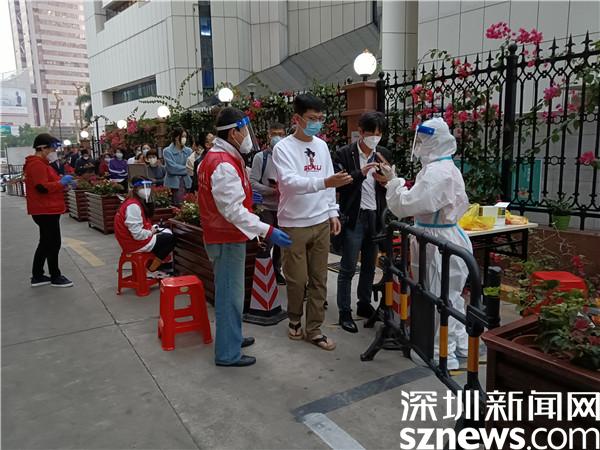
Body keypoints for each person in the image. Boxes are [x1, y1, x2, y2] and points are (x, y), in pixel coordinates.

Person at [198, 107, 292, 367]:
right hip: (226, 238)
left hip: (224, 236)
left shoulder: (218, 157)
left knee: (232, 294)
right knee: (230, 297)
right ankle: (228, 353)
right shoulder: (222, 163)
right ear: (233, 133)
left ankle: (233, 337)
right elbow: (232, 210)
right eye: (244, 129)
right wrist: (267, 230)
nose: (248, 135)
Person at [379, 117, 471, 370]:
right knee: (450, 295)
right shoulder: (443, 167)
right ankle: (459, 344)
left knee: (438, 297)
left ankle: (441, 353)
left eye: (422, 140)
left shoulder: (437, 173)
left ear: (434, 141)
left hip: (436, 241)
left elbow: (405, 205)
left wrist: (394, 182)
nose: (418, 145)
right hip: (443, 236)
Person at [272, 93, 353, 351]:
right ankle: (295, 318)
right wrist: (324, 182)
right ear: (297, 119)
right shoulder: (282, 148)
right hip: (294, 223)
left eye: (320, 118)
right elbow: (289, 183)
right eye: (312, 118)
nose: (317, 123)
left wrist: (332, 212)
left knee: (319, 278)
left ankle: (314, 329)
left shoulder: (322, 146)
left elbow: (330, 183)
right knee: (297, 279)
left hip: (320, 222)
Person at [334, 111, 392, 333]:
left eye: (379, 134)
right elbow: (339, 184)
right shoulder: (344, 154)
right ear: (360, 132)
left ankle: (364, 303)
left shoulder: (383, 154)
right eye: (371, 133)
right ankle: (344, 311)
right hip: (354, 217)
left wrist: (386, 179)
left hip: (375, 216)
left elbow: (388, 185)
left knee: (370, 264)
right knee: (348, 266)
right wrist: (360, 173)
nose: (375, 138)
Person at [24, 133, 74, 288]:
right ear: (42, 148)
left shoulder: (42, 164)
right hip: (45, 210)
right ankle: (55, 276)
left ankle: (38, 275)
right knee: (53, 243)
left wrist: (62, 183)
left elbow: (49, 183)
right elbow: (42, 187)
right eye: (52, 148)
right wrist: (61, 183)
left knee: (46, 242)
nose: (54, 152)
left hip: (47, 209)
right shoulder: (37, 165)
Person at [114, 177, 175, 279]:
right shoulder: (133, 206)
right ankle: (152, 269)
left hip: (131, 241)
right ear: (135, 189)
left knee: (165, 232)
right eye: (142, 187)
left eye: (148, 186)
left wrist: (152, 229)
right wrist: (151, 232)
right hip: (134, 243)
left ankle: (154, 266)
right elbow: (137, 235)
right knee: (170, 239)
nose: (146, 189)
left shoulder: (133, 202)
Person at [250, 122, 287, 285]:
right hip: (265, 206)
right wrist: (271, 190)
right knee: (268, 239)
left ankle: (276, 270)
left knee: (281, 241)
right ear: (269, 136)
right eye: (274, 134)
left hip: (284, 206)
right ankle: (262, 271)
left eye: (281, 134)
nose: (278, 137)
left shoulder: (288, 157)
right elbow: (253, 182)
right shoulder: (261, 158)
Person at [163, 127, 192, 204]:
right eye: (182, 136)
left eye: (185, 136)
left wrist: (189, 169)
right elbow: (171, 168)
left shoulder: (189, 151)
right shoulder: (167, 151)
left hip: (187, 183)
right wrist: (187, 170)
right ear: (176, 137)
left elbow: (192, 166)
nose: (184, 138)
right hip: (173, 185)